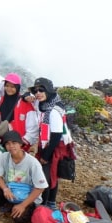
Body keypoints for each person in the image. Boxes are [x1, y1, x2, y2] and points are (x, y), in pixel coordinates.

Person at [30, 77, 75, 209]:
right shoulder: (46, 104)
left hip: (53, 146)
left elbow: (56, 135)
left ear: (48, 91)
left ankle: (44, 205)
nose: (38, 93)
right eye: (36, 90)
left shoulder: (53, 111)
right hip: (49, 144)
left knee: (46, 176)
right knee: (52, 174)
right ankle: (50, 202)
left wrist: (45, 155)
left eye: (41, 90)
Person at [0, 130, 49, 223]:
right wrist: (5, 189)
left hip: (27, 196)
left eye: (14, 143)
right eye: (7, 144)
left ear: (20, 144)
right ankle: (8, 204)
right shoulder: (4, 157)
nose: (11, 146)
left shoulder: (33, 163)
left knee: (19, 219)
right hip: (11, 191)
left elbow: (40, 188)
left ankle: (25, 207)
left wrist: (23, 205)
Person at [0, 73, 38, 150]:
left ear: (18, 87)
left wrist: (22, 143)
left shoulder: (26, 103)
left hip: (20, 145)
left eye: (12, 87)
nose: (9, 89)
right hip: (4, 142)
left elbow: (33, 128)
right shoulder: (2, 100)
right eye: (7, 86)